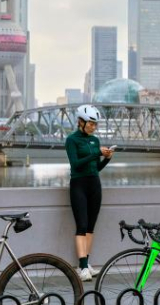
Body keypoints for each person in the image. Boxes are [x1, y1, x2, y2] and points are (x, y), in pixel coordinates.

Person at [66, 104, 114, 282]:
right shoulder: (72, 140)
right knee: (82, 225)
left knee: (91, 226)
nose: (94, 127)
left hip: (94, 184)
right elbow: (76, 164)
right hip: (78, 184)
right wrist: (96, 153)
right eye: (91, 123)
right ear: (81, 121)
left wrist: (106, 159)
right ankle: (83, 267)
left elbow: (96, 168)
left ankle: (86, 264)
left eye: (95, 124)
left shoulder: (95, 141)